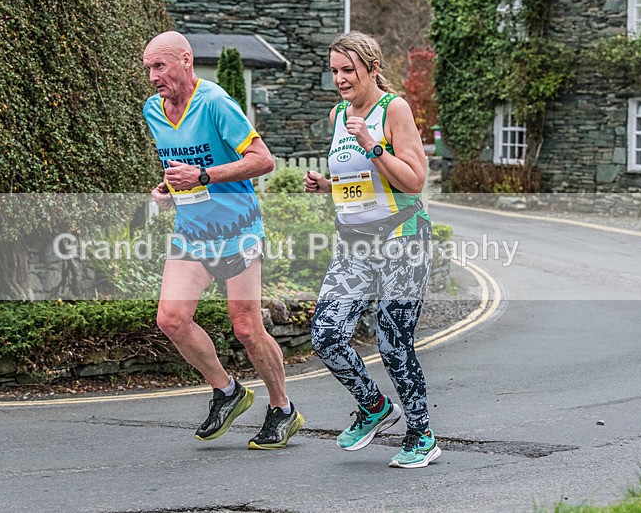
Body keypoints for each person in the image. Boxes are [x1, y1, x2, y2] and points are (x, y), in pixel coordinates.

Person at [143, 31, 303, 450]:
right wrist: (166, 191)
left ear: (185, 60)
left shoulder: (214, 102)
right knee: (170, 320)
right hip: (192, 232)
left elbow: (263, 160)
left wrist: (203, 176)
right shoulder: (153, 111)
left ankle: (282, 408)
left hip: (237, 231)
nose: (153, 77)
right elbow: (179, 169)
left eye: (160, 66)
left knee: (247, 327)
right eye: (148, 69)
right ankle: (227, 390)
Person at [304, 31, 441, 468]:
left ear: (372, 68)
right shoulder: (338, 114)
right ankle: (374, 406)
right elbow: (359, 185)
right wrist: (328, 185)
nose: (340, 80)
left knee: (392, 339)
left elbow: (414, 181)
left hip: (403, 238)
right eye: (335, 72)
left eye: (349, 71)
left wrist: (374, 145)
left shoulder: (393, 109)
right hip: (355, 243)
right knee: (326, 334)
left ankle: (421, 434)